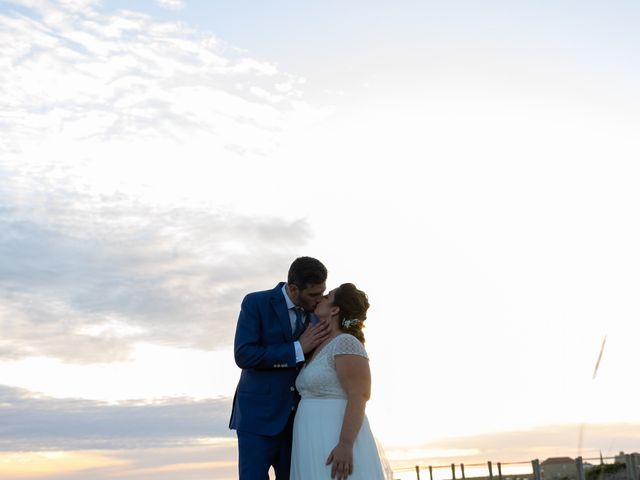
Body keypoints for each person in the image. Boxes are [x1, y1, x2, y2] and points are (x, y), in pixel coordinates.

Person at [229, 256, 332, 479]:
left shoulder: (318, 313)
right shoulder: (255, 303)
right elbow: (244, 354)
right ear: (294, 289)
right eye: (313, 294)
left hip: (299, 422)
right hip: (258, 419)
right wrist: (297, 348)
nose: (319, 300)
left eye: (322, 292)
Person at [290, 283, 393, 480]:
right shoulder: (319, 343)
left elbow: (360, 395)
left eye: (327, 296)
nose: (321, 298)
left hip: (333, 434)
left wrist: (345, 444)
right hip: (311, 437)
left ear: (335, 310)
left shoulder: (346, 342)